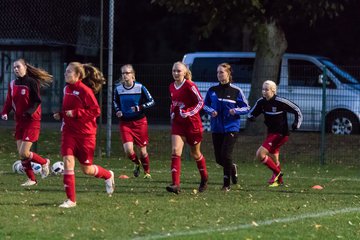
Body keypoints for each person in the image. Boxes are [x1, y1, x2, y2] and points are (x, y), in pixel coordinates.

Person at [53, 62, 115, 208]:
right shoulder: (66, 89)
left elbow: (95, 111)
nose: (65, 74)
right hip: (69, 133)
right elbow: (69, 109)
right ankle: (71, 200)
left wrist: (75, 113)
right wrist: (61, 115)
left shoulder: (85, 91)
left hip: (86, 135)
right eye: (66, 71)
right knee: (68, 161)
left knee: (87, 169)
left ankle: (108, 175)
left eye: (69, 72)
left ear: (78, 75)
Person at [1, 58, 53, 186]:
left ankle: (44, 162)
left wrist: (29, 112)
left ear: (25, 67)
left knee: (24, 152)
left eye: (18, 66)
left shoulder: (32, 82)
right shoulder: (13, 84)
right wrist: (5, 112)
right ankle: (32, 179)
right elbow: (9, 101)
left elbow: (37, 101)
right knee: (21, 154)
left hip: (31, 121)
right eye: (14, 67)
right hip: (19, 121)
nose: (16, 69)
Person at [203, 63, 250, 192]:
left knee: (226, 154)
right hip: (216, 128)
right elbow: (204, 105)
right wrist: (211, 111)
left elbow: (246, 107)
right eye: (218, 72)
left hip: (231, 128)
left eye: (222, 72)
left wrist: (236, 111)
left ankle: (226, 184)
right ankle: (232, 168)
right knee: (219, 159)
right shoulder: (212, 90)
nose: (219, 74)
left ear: (228, 74)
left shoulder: (236, 91)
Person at [248, 80, 303, 187]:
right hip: (271, 133)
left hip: (281, 134)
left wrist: (297, 123)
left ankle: (277, 173)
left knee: (260, 154)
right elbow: (252, 113)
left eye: (266, 89)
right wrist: (251, 117)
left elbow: (297, 110)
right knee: (274, 157)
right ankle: (279, 181)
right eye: (263, 89)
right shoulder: (261, 102)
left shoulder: (280, 101)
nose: (264, 92)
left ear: (273, 90)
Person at [166, 61, 208, 194]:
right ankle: (175, 185)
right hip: (178, 124)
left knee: (195, 153)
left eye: (179, 71)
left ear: (185, 72)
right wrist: (172, 111)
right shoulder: (171, 86)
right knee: (175, 150)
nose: (176, 73)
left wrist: (188, 112)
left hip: (192, 124)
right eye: (174, 71)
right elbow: (173, 103)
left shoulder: (190, 85)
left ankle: (204, 178)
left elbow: (201, 102)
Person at [113, 64, 155, 179]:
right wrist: (118, 111)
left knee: (142, 151)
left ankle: (147, 173)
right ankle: (137, 163)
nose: (125, 75)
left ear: (133, 75)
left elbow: (151, 101)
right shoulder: (118, 89)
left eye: (127, 73)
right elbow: (115, 102)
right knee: (128, 150)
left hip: (140, 122)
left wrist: (139, 107)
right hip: (125, 123)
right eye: (123, 73)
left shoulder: (140, 87)